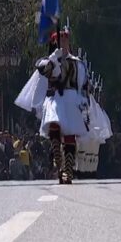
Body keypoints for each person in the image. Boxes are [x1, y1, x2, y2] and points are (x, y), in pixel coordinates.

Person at [15, 28, 91, 184]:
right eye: (60, 40)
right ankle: (59, 164)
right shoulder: (50, 60)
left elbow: (83, 84)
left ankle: (68, 171)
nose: (63, 43)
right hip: (56, 99)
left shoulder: (77, 63)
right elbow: (44, 70)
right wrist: (53, 59)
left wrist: (84, 103)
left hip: (71, 100)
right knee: (54, 128)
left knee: (70, 136)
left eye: (65, 40)